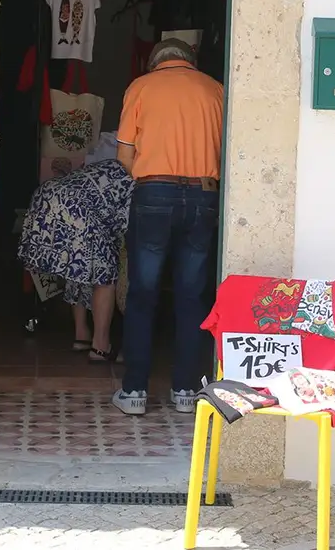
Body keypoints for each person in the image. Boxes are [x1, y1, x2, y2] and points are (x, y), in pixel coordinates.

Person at [113, 38, 224, 415]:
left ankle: (134, 393)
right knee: (192, 295)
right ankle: (187, 391)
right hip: (204, 195)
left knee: (143, 293)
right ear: (190, 61)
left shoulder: (141, 87)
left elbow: (124, 153)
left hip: (153, 194)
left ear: (154, 61)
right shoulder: (215, 90)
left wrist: (153, 178)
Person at [18, 158, 134, 362]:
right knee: (105, 275)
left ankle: (81, 335)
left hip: (46, 197)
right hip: (78, 209)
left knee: (77, 266)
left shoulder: (108, 164)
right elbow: (126, 229)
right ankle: (100, 347)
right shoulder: (133, 182)